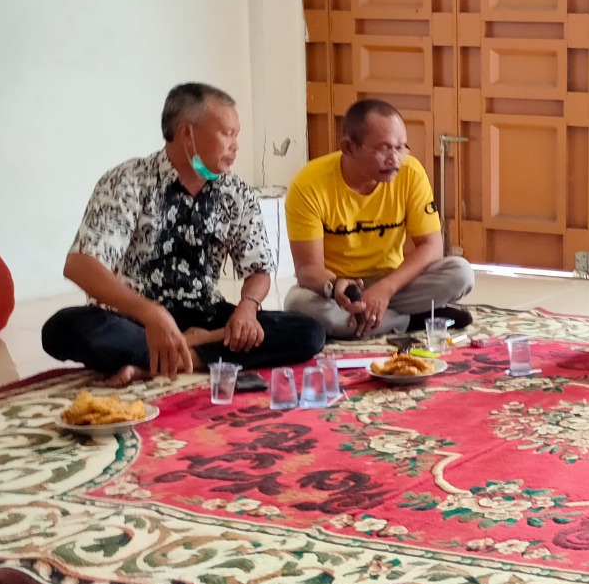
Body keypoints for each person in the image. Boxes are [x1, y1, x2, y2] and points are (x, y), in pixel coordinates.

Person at [42, 83, 326, 384]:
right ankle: (192, 352)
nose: (235, 145)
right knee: (62, 329)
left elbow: (259, 269)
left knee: (308, 332)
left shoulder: (236, 191)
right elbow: (80, 265)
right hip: (132, 318)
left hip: (204, 316)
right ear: (187, 133)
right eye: (227, 134)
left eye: (237, 135)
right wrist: (151, 314)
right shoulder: (128, 181)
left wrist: (248, 308)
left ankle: (162, 360)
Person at [283, 99, 474, 339]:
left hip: (394, 282)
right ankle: (413, 320)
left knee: (460, 273)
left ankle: (368, 319)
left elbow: (432, 246)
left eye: (401, 148)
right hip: (342, 291)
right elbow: (307, 269)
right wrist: (337, 287)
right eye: (384, 149)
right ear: (348, 147)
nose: (395, 159)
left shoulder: (411, 173)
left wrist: (386, 289)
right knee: (299, 304)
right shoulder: (308, 185)